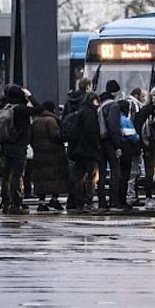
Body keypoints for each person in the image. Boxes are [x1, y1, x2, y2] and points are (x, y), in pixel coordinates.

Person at [0, 84, 40, 214]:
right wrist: (30, 95)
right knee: (18, 175)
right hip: (19, 146)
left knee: (7, 175)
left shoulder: (6, 107)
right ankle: (16, 204)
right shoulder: (21, 109)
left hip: (7, 145)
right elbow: (39, 109)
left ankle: (6, 202)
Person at [31, 101, 69, 212]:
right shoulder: (51, 120)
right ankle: (54, 198)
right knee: (56, 176)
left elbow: (31, 137)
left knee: (41, 179)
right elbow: (56, 136)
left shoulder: (36, 120)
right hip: (53, 154)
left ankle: (41, 202)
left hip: (39, 154)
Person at [69, 92, 102, 212]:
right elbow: (91, 132)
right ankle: (88, 201)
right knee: (92, 176)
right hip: (89, 151)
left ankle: (78, 203)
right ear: (94, 100)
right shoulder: (90, 113)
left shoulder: (80, 111)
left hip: (78, 151)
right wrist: (97, 145)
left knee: (79, 177)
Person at [63, 78, 92, 210]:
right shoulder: (87, 100)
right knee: (88, 174)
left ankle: (72, 200)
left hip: (73, 143)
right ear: (87, 87)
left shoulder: (69, 100)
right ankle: (82, 201)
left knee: (75, 173)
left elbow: (64, 120)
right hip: (85, 143)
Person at [134, 86, 155, 210]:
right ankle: (149, 197)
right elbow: (138, 126)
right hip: (149, 146)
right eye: (152, 95)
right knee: (149, 174)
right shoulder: (146, 110)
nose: (154, 97)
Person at [97, 80, 124, 211]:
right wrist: (118, 146)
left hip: (99, 142)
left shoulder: (100, 103)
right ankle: (114, 200)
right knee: (115, 171)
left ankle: (102, 201)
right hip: (109, 143)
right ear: (116, 91)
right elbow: (114, 127)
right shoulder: (113, 106)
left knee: (101, 172)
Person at [117, 100, 142, 210]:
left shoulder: (115, 118)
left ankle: (118, 198)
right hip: (127, 150)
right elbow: (134, 136)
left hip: (120, 149)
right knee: (125, 176)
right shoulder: (125, 120)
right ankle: (122, 200)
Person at [124, 88, 146, 206]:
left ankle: (131, 195)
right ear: (137, 95)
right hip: (133, 144)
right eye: (143, 96)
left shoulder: (130, 104)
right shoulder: (135, 106)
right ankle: (131, 196)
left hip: (130, 144)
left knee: (133, 172)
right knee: (133, 172)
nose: (144, 99)